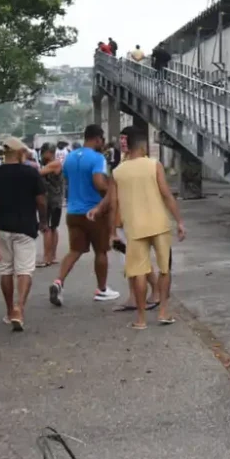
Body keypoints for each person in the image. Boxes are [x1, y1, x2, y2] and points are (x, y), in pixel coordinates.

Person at [108, 129, 184, 329]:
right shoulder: (154, 165)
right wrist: (179, 221)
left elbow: (113, 203)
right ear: (141, 146)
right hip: (159, 225)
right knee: (164, 269)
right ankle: (163, 312)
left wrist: (112, 231)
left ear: (128, 146)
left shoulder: (117, 172)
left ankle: (141, 319)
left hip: (134, 228)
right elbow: (166, 194)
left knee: (139, 272)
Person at [50, 124, 121, 305]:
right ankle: (102, 289)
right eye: (102, 140)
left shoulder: (70, 157)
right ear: (97, 139)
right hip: (93, 212)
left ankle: (58, 282)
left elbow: (67, 177)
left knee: (74, 250)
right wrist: (110, 192)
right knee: (101, 251)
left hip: (73, 211)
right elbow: (98, 182)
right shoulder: (97, 158)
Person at [0, 137, 47, 332]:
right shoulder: (31, 173)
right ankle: (20, 308)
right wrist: (43, 221)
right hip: (26, 227)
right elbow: (41, 201)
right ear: (20, 153)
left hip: (2, 227)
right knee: (24, 270)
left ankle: (10, 310)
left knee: (5, 270)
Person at [37, 144, 64, 267]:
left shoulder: (55, 164)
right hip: (54, 200)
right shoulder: (52, 164)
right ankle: (52, 256)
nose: (41, 155)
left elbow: (38, 173)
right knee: (52, 228)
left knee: (47, 228)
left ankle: (47, 258)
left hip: (52, 201)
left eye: (43, 152)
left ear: (49, 152)